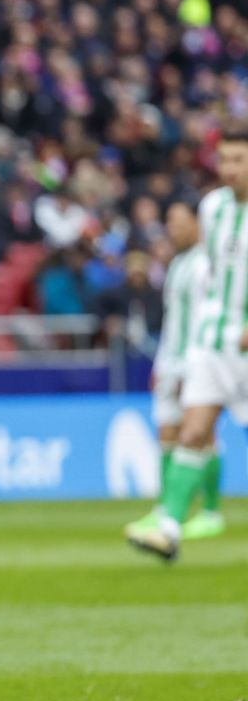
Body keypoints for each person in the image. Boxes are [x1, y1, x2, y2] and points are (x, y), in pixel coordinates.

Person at [129, 126, 248, 561]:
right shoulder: (213, 208)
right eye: (226, 160)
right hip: (214, 344)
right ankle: (169, 528)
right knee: (194, 431)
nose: (231, 169)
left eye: (240, 160)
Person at [125, 201, 221, 543]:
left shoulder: (203, 266)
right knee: (168, 433)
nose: (172, 228)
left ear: (198, 224)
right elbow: (175, 323)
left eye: (179, 222)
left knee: (201, 434)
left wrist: (191, 368)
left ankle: (211, 511)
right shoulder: (178, 263)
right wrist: (163, 363)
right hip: (172, 361)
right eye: (169, 221)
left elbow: (200, 322)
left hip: (193, 364)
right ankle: (167, 507)